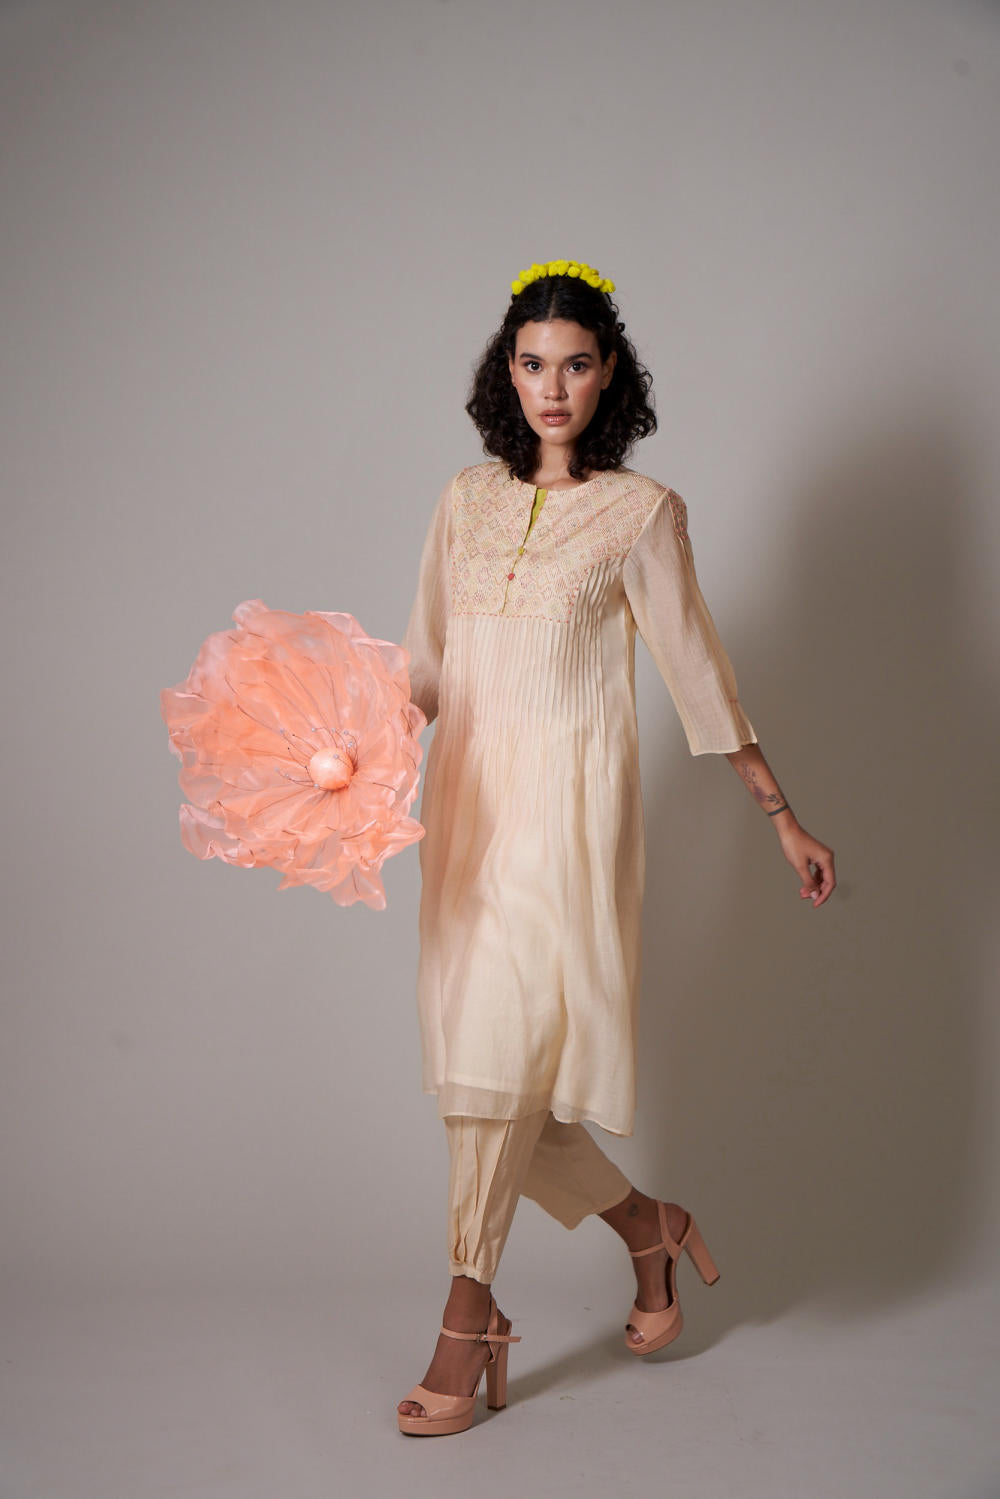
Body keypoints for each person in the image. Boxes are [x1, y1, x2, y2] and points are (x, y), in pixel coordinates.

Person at [396, 259, 836, 1436]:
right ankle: (652, 1228)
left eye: (576, 364)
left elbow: (698, 674)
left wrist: (779, 814)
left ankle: (467, 1315)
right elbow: (423, 668)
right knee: (490, 1079)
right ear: (506, 371)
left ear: (609, 376)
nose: (553, 386)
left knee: (497, 1062)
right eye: (532, 363)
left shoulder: (641, 512)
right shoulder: (463, 499)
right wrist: (331, 767)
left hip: (562, 822)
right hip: (465, 818)